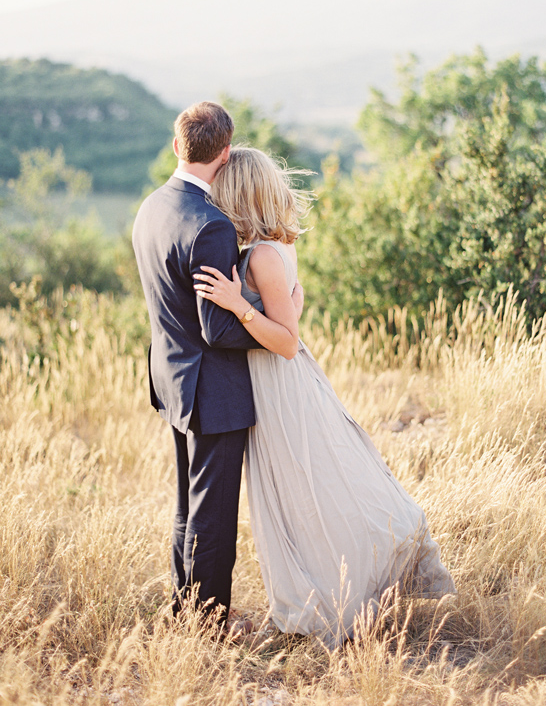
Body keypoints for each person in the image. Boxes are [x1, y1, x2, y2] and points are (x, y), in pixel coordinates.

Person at [194, 146, 456, 647]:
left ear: (240, 194)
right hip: (276, 381)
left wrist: (235, 306)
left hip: (279, 384)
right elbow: (292, 309)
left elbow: (286, 343)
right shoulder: (275, 248)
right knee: (305, 490)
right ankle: (327, 591)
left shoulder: (265, 255)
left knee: (305, 490)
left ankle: (332, 599)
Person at [132, 102, 303, 633]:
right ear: (225, 153)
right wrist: (273, 315)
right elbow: (218, 328)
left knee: (188, 504)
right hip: (214, 391)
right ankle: (208, 623)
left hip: (173, 378)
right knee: (213, 513)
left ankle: (185, 610)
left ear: (177, 144)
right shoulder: (211, 227)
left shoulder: (153, 206)